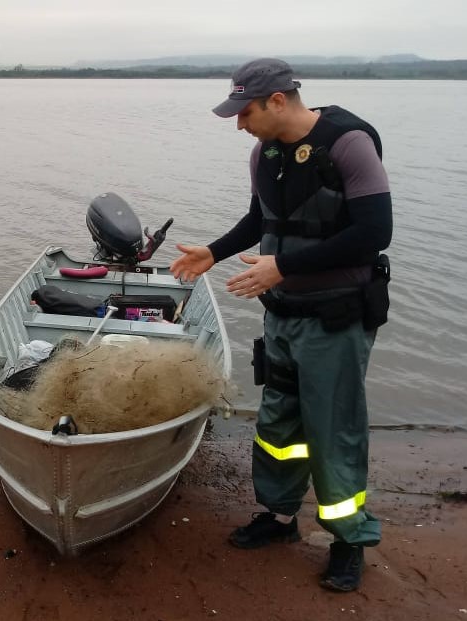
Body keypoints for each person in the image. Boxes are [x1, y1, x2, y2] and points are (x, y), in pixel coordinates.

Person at [170, 58, 392, 592]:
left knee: (332, 431)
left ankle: (348, 541)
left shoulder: (348, 144)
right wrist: (215, 252)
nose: (238, 123)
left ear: (277, 101)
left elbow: (374, 231)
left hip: (336, 318)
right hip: (284, 317)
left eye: (243, 112)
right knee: (279, 428)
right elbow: (260, 219)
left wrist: (284, 267)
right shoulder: (263, 153)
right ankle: (280, 516)